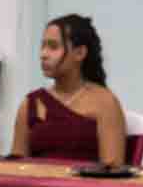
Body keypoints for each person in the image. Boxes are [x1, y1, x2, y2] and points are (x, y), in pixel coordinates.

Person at [12, 14, 128, 165]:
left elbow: (112, 169)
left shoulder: (105, 103)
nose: (43, 54)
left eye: (53, 47)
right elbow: (15, 167)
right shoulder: (30, 104)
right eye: (43, 46)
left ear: (79, 53)